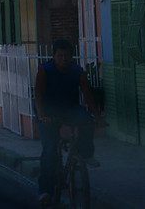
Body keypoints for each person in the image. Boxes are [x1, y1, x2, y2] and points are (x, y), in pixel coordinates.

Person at [34, 39, 102, 204]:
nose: (63, 59)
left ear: (71, 56)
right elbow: (38, 95)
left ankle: (85, 153)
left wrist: (97, 115)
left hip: (71, 110)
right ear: (54, 56)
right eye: (60, 55)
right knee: (49, 150)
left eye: (67, 56)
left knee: (87, 120)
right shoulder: (45, 70)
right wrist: (42, 115)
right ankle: (45, 191)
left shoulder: (77, 71)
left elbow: (87, 95)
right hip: (49, 113)